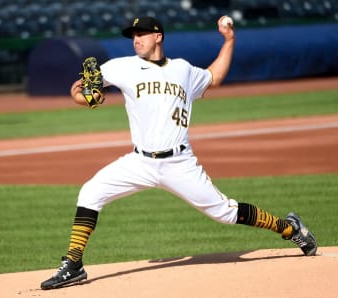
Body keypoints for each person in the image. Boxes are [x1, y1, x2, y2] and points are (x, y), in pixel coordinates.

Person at [40, 16, 317, 290]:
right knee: (90, 192)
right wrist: (85, 97)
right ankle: (74, 265)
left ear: (158, 36)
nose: (136, 39)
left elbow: (215, 77)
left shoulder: (183, 70)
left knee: (225, 212)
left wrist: (230, 40)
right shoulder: (121, 67)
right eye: (133, 35)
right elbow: (79, 88)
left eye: (143, 33)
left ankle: (290, 228)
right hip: (140, 161)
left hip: (179, 163)